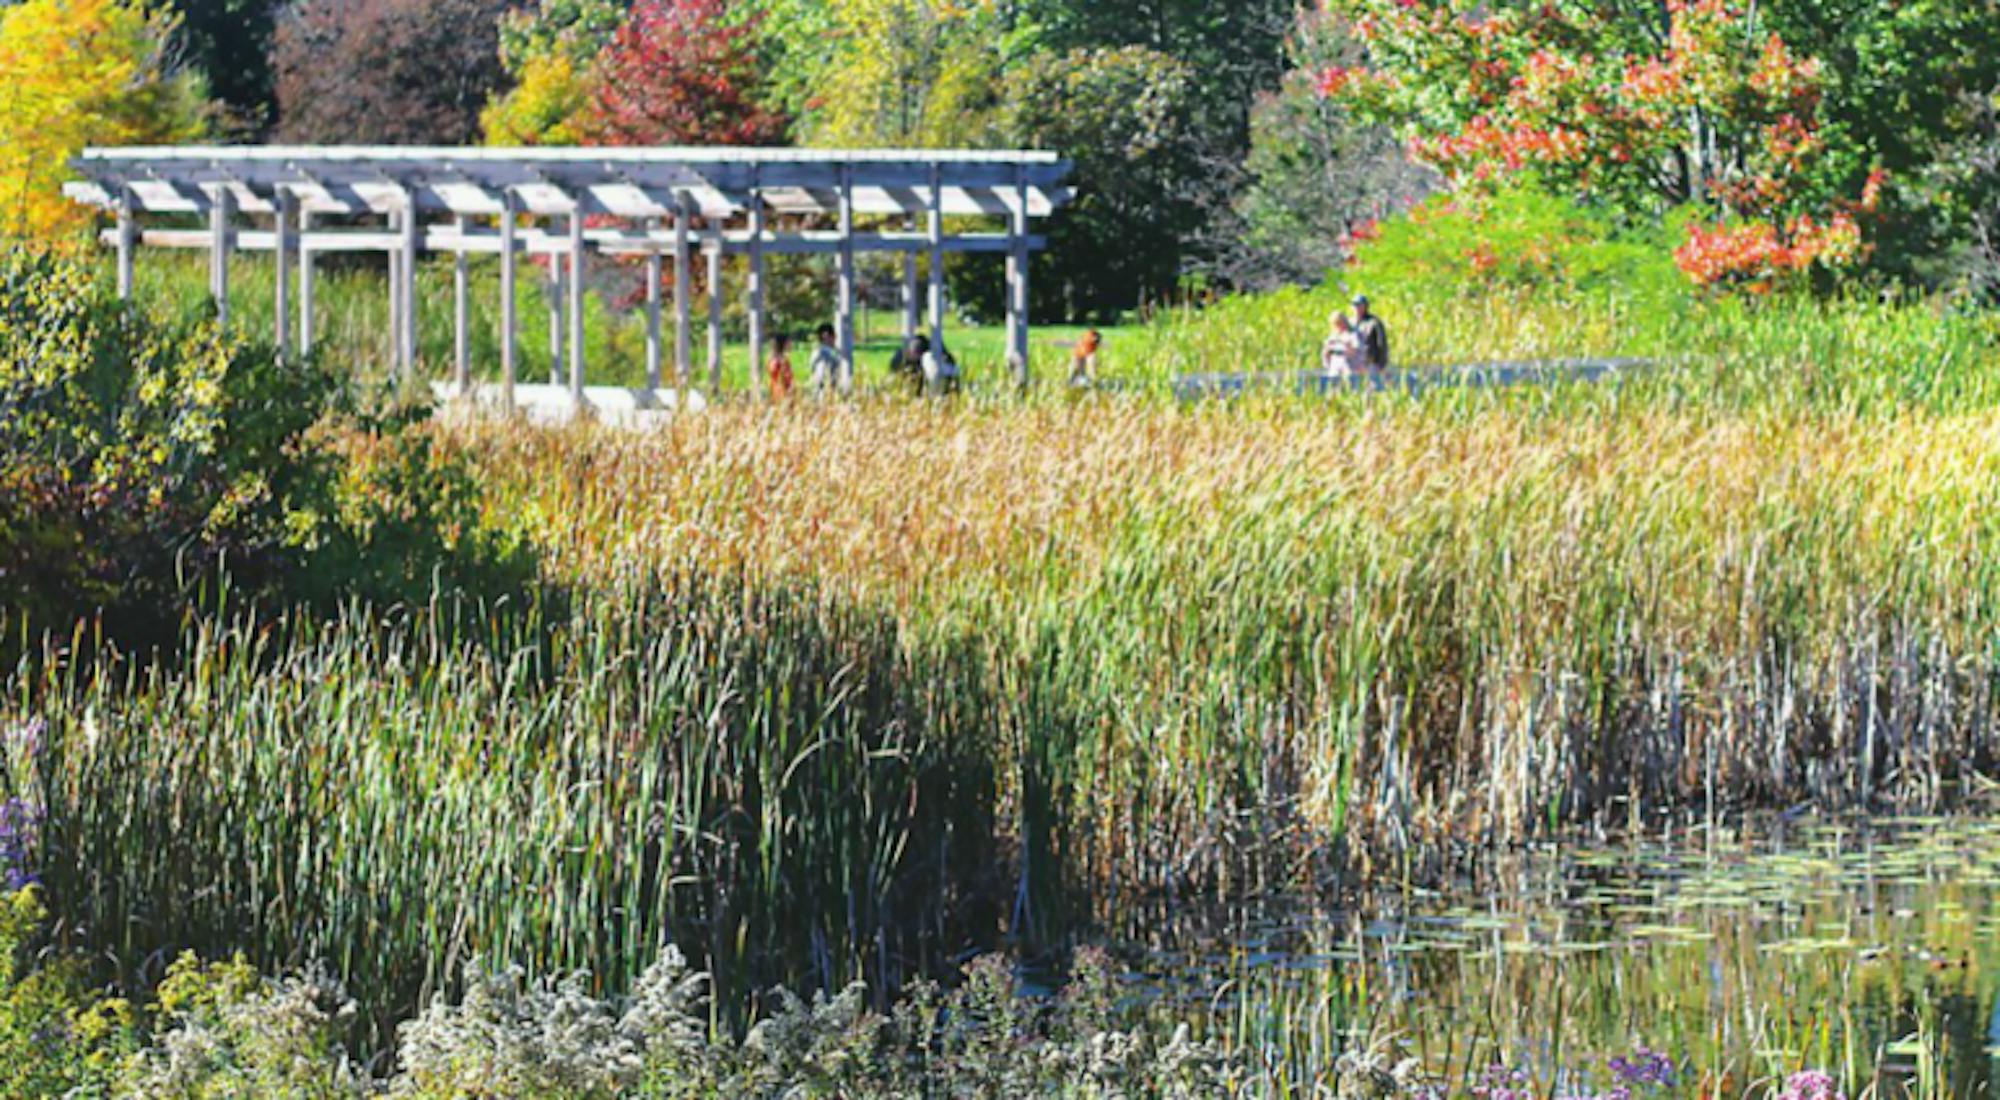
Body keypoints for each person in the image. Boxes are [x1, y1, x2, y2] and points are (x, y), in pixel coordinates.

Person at [1351, 294, 1390, 373]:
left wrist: (1381, 363)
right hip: (1354, 364)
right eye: (1354, 305)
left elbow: (1381, 343)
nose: (1356, 308)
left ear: (1366, 306)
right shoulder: (1350, 322)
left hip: (1370, 362)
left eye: (1359, 305)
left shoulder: (1373, 322)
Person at [807, 323, 847, 395]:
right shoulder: (822, 353)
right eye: (834, 336)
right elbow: (821, 377)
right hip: (825, 393)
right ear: (826, 336)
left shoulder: (817, 351)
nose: (835, 339)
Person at [767, 333, 795, 402]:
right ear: (782, 344)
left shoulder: (780, 358)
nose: (791, 344)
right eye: (789, 342)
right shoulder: (778, 359)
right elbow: (775, 373)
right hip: (781, 392)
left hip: (782, 391)